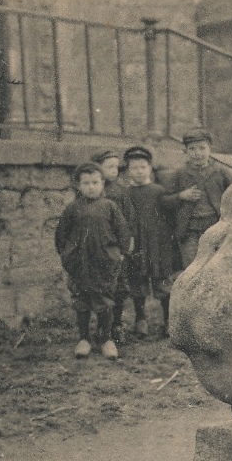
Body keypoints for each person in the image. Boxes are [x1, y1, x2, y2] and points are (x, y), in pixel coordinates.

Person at [54, 163, 131, 360]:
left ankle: (106, 339)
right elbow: (61, 235)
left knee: (104, 300)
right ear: (78, 185)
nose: (91, 187)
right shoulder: (72, 208)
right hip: (79, 264)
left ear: (103, 183)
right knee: (81, 300)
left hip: (104, 262)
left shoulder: (110, 207)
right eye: (86, 183)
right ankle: (84, 339)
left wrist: (120, 254)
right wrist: (66, 256)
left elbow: (122, 231)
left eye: (95, 182)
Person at [122, 145, 175, 338]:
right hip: (138, 245)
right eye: (134, 167)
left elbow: (170, 216)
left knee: (162, 283)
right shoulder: (125, 194)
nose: (139, 171)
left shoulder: (159, 191)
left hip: (157, 245)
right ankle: (140, 319)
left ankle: (168, 320)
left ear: (150, 169)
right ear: (128, 170)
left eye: (143, 167)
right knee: (138, 282)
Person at [167, 128, 232, 269]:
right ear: (185, 151)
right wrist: (181, 196)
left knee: (216, 265)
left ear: (210, 149)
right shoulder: (180, 174)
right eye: (192, 149)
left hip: (216, 227)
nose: (197, 153)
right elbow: (165, 200)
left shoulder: (222, 172)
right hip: (189, 229)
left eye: (202, 148)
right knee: (192, 267)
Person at [92, 149, 133, 343]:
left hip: (116, 247)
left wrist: (127, 243)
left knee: (119, 286)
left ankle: (117, 324)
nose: (114, 170)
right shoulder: (92, 191)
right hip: (98, 247)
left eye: (116, 167)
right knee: (101, 287)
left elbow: (128, 219)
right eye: (109, 166)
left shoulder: (121, 191)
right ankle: (102, 326)